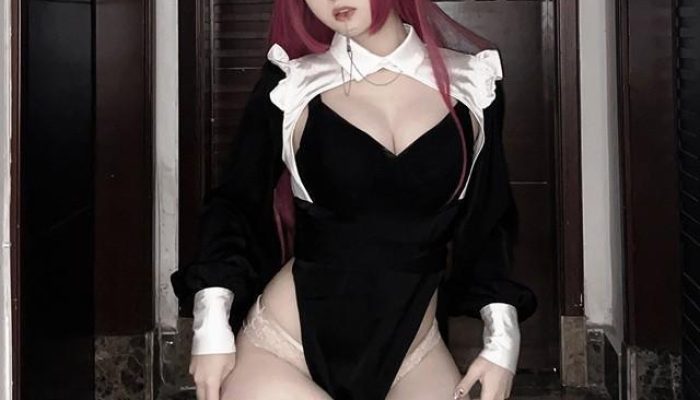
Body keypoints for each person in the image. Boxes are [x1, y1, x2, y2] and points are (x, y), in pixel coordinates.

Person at [170, 0, 538, 398]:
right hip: (286, 348)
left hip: (413, 355)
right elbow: (235, 204)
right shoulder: (292, 85)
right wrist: (211, 327)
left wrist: (502, 340)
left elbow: (489, 222)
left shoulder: (473, 85)